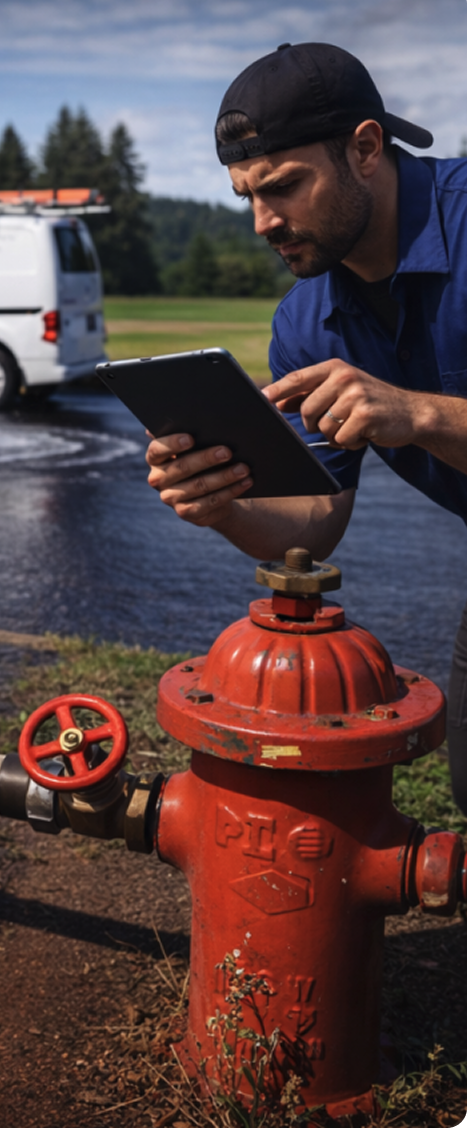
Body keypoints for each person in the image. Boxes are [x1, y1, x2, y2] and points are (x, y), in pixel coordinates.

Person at [145, 42, 467, 810]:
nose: (262, 221)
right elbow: (314, 523)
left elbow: (410, 416)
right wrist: (221, 504)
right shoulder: (305, 320)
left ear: (363, 148)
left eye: (284, 186)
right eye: (245, 196)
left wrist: (416, 412)